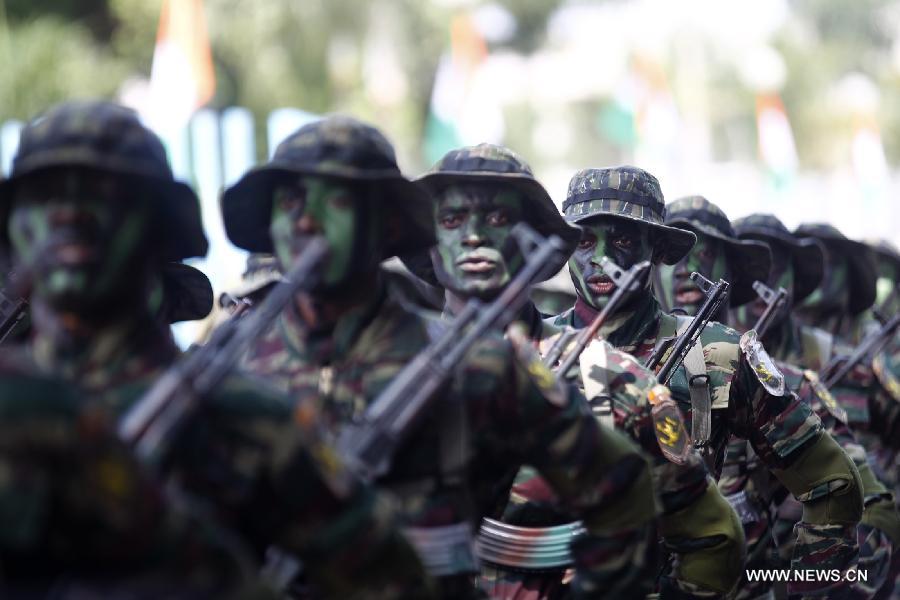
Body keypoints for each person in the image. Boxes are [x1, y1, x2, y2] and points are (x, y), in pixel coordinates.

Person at [0, 100, 431, 598]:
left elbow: (392, 584)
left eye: (102, 194)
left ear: (159, 227)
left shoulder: (248, 422)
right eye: (44, 194)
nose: (70, 214)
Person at [225, 116, 659, 599]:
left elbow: (627, 493)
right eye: (290, 201)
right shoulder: (226, 374)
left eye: (338, 202)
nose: (307, 221)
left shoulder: (486, 368)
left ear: (387, 225)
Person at [410, 144, 743, 599]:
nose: (473, 237)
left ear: (537, 243)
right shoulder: (373, 375)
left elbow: (711, 538)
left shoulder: (614, 379)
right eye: (450, 221)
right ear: (428, 244)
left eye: (497, 220)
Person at [552, 166, 864, 597]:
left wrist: (804, 588)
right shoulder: (526, 350)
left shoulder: (719, 353)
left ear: (658, 248)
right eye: (584, 240)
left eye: (623, 239)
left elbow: (833, 484)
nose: (601, 257)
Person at [663, 203, 896, 598]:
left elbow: (866, 497)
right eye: (677, 257)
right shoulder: (629, 368)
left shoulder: (782, 375)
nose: (688, 269)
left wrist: (820, 576)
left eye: (704, 255)